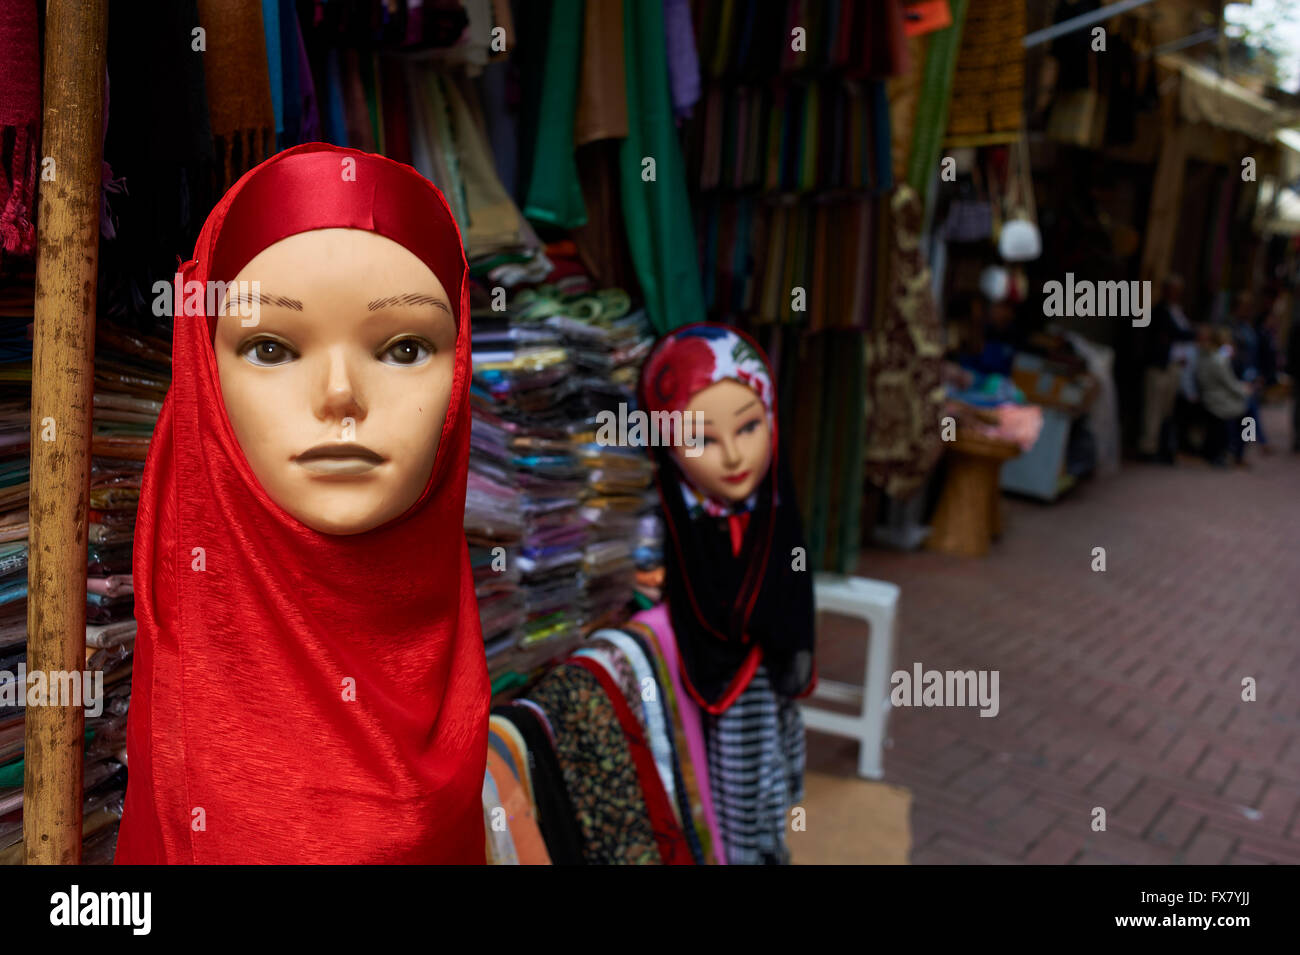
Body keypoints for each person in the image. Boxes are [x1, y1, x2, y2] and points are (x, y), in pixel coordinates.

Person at [115, 144, 490, 863]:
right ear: (202, 373)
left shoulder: (460, 692)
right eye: (271, 348)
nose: (340, 395)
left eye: (405, 349)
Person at [638, 324, 815, 865]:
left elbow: (792, 598)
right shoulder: (664, 523)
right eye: (703, 439)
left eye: (750, 427)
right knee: (711, 794)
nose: (735, 457)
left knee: (757, 785)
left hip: (761, 684)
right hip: (696, 677)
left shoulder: (775, 511)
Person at [1139, 274, 1195, 463]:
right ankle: (1148, 448)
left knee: (1166, 410)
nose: (1175, 294)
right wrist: (1195, 334)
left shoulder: (1178, 311)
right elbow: (1175, 333)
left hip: (1173, 367)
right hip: (1159, 366)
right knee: (1153, 409)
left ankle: (1161, 447)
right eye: (1172, 290)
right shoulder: (1159, 311)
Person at [1195, 324, 1252, 467]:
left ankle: (1235, 451)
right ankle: (1238, 453)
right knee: (1248, 410)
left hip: (1213, 396)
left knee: (1247, 407)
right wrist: (1245, 391)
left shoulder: (1205, 355)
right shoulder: (1219, 359)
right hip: (1218, 399)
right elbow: (1229, 383)